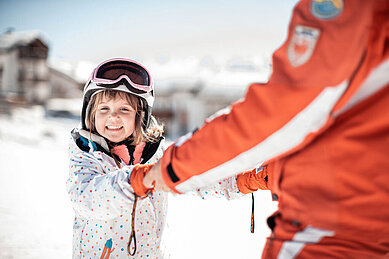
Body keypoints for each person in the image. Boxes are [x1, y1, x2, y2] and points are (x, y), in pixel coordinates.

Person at [139, 0, 389, 258]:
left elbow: (284, 109)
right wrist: (270, 172)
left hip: (335, 229)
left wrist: (174, 167)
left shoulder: (355, 8)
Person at [66, 58, 167, 258]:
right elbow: (85, 198)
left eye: (124, 109)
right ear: (90, 114)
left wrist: (238, 182)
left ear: (140, 116)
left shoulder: (155, 155)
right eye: (104, 109)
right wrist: (134, 181)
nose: (113, 117)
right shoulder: (85, 153)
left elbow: (190, 173)